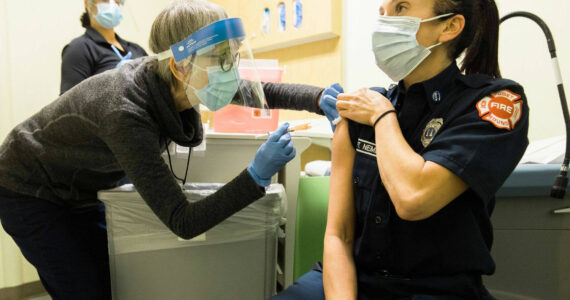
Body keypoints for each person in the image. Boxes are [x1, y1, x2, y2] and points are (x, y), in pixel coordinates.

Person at [0, 1, 327, 299]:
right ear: (180, 66)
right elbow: (183, 221)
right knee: (85, 289)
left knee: (114, 280)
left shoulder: (184, 77)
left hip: (79, 187)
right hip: (29, 188)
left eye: (235, 56)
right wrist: (256, 176)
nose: (231, 70)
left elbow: (262, 90)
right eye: (221, 58)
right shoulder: (126, 111)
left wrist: (321, 98)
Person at [276, 0, 529, 299]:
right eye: (382, 12)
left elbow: (413, 198)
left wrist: (383, 116)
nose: (384, 22)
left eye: (401, 8)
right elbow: (338, 235)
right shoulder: (359, 115)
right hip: (353, 280)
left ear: (449, 26)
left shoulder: (493, 103)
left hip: (437, 289)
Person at [60, 0, 147, 94]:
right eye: (105, 0)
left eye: (117, 2)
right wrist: (112, 81)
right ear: (87, 3)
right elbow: (70, 104)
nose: (112, 5)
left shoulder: (137, 49)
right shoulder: (78, 49)